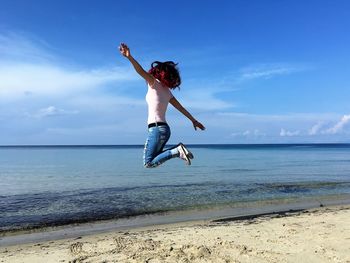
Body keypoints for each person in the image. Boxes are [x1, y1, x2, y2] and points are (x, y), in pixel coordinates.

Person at [119, 43, 205, 168]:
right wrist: (194, 120)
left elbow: (140, 71)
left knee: (148, 163)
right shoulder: (167, 92)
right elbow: (180, 108)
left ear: (156, 72)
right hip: (165, 129)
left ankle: (177, 151)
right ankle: (177, 151)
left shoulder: (153, 83)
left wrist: (129, 57)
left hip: (157, 128)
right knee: (155, 158)